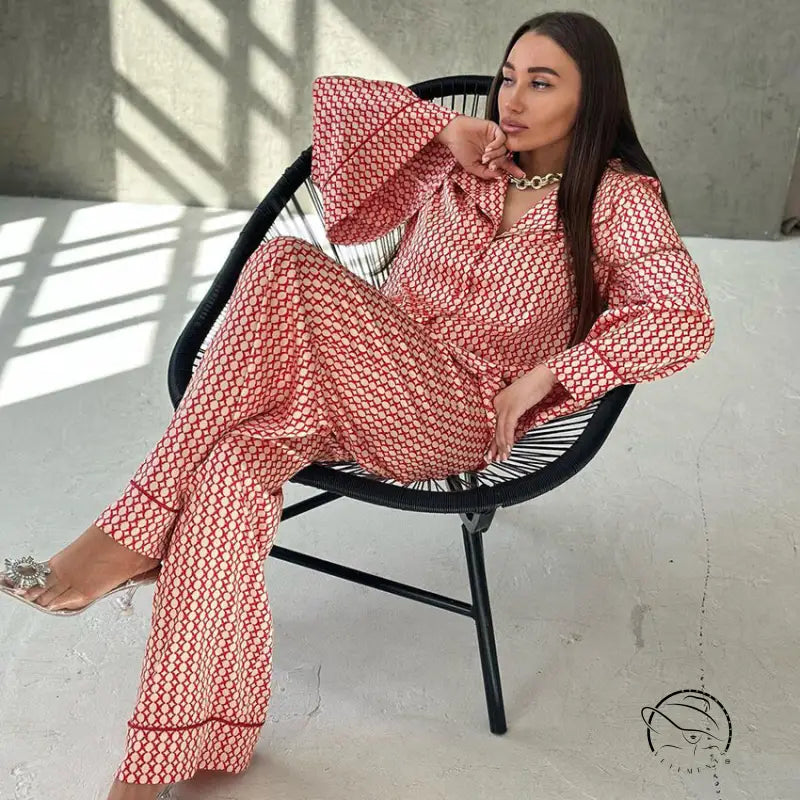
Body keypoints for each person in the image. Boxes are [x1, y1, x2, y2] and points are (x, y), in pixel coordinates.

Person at [0, 10, 714, 799]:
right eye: (508, 76)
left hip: (455, 414)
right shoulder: (469, 160)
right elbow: (334, 106)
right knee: (231, 471)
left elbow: (683, 317)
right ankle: (166, 760)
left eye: (541, 83)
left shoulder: (616, 200)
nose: (511, 98)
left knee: (286, 266)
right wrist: (443, 131)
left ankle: (129, 531)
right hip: (352, 379)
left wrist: (552, 376)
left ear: (593, 101)